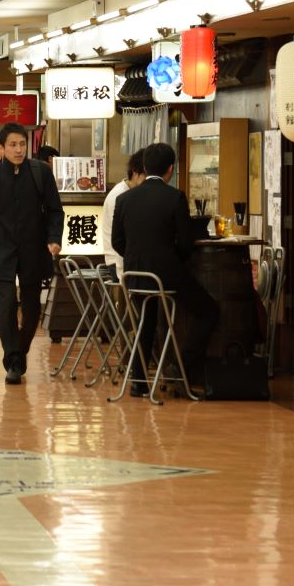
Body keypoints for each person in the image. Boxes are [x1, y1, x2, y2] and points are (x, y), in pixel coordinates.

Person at [111, 142, 218, 396]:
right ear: (171, 169)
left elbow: (117, 242)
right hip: (167, 275)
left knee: (144, 322)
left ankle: (139, 383)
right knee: (209, 311)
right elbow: (185, 242)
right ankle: (178, 367)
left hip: (135, 275)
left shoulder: (124, 198)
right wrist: (173, 260)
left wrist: (137, 258)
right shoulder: (175, 197)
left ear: (145, 167)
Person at [0, 122, 64, 385]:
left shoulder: (40, 173)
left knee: (32, 306)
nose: (18, 150)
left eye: (22, 144)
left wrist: (54, 239)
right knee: (7, 302)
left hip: (34, 248)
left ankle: (19, 351)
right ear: (0, 148)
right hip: (2, 248)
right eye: (12, 145)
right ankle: (13, 359)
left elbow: (55, 210)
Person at [101, 149, 147, 281]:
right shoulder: (120, 196)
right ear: (134, 172)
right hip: (118, 264)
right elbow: (121, 239)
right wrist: (122, 275)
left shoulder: (131, 193)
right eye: (145, 176)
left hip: (126, 261)